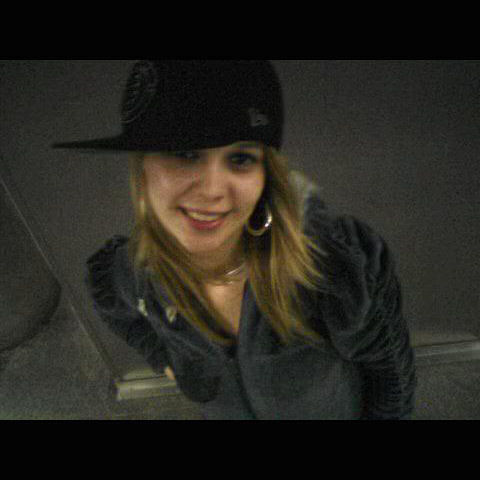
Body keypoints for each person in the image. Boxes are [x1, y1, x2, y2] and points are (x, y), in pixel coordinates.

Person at [53, 60, 417, 420]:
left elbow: (391, 380)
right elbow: (113, 306)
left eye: (240, 158)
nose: (212, 190)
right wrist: (165, 360)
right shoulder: (136, 270)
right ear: (142, 168)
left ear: (265, 174)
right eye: (185, 153)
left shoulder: (329, 264)